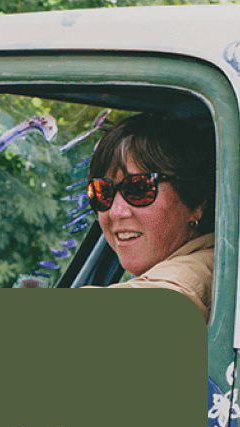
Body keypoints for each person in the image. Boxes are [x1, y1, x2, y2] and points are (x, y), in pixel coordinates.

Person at [86, 113, 215, 321]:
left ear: (196, 203)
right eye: (102, 192)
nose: (116, 211)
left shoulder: (198, 272)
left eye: (139, 188)